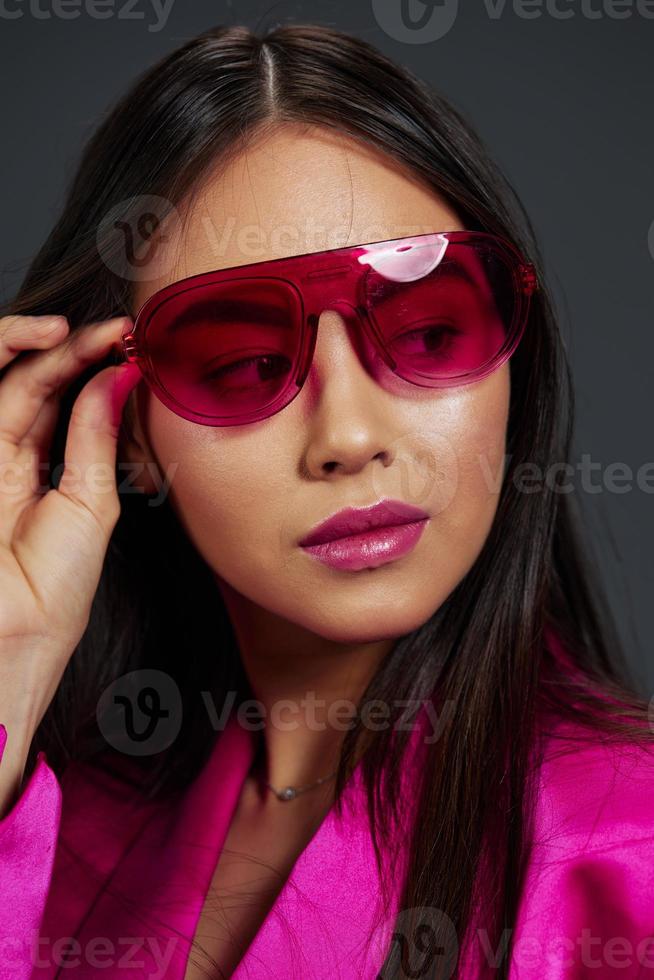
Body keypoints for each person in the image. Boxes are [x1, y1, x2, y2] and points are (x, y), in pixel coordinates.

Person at [0, 21, 653, 980]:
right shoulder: (60, 819)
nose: (349, 436)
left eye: (430, 335)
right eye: (244, 365)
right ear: (121, 427)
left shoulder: (623, 861)